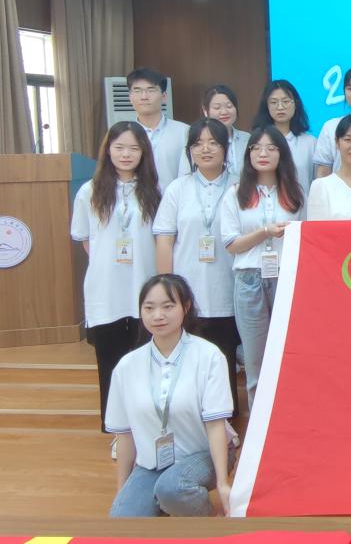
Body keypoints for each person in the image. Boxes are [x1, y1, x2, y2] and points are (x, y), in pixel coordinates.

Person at [107, 274, 236, 517]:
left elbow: (216, 425)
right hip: (152, 464)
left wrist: (222, 483)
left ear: (185, 307)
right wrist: (122, 493)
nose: (158, 315)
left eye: (168, 306)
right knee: (123, 522)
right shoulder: (127, 366)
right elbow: (124, 435)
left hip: (203, 456)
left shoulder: (208, 355)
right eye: (149, 308)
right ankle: (172, 504)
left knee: (173, 488)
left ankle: (209, 520)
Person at [70, 121, 161, 428]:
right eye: (119, 147)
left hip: (143, 285)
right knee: (109, 359)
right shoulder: (90, 191)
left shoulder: (154, 191)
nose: (126, 154)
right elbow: (86, 240)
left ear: (144, 152)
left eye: (134, 148)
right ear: (107, 150)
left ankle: (145, 423)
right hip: (106, 288)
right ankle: (115, 425)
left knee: (144, 359)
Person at [153, 118, 240, 416]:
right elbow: (165, 240)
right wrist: (167, 290)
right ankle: (191, 418)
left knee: (226, 357)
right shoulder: (178, 189)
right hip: (189, 289)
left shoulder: (240, 185)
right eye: (198, 144)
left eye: (213, 143)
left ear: (226, 148)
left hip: (230, 286)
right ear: (189, 151)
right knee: (190, 359)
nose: (205, 149)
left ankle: (226, 418)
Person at [220, 125, 305, 409]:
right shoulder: (236, 194)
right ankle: (258, 424)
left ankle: (286, 418)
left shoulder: (294, 194)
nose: (263, 153)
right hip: (249, 279)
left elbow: (305, 236)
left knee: (287, 354)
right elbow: (231, 244)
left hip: (286, 277)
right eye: (256, 148)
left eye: (271, 148)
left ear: (282, 154)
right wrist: (265, 232)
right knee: (255, 359)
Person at [126, 67, 189, 192]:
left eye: (151, 90)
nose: (144, 96)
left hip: (172, 201)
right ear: (130, 97)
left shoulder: (184, 132)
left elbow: (187, 176)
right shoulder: (123, 134)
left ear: (164, 96)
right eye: (137, 91)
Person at [251, 79, 317, 195]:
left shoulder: (310, 142)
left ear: (295, 104)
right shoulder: (257, 141)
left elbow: (316, 181)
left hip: (302, 204)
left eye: (285, 101)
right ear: (266, 106)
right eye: (274, 102)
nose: (280, 107)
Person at [177, 85, 249, 180]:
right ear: (205, 111)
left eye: (229, 106)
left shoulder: (247, 139)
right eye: (217, 107)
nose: (224, 112)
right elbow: (185, 176)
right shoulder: (196, 141)